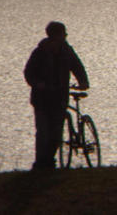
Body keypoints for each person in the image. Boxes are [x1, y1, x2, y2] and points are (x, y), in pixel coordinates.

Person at [24, 21, 89, 171]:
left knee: (56, 133)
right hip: (42, 99)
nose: (65, 36)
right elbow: (29, 72)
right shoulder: (39, 52)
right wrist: (38, 84)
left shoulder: (66, 51)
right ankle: (41, 163)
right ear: (55, 36)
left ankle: (49, 161)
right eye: (63, 34)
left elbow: (77, 66)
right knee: (43, 132)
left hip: (59, 97)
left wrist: (83, 81)